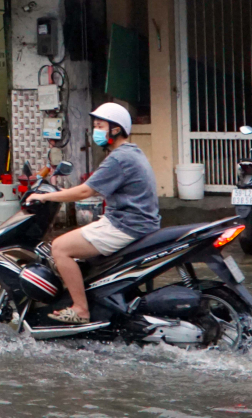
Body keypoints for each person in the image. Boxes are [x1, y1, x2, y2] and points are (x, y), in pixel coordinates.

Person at [25, 102, 160, 324]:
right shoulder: (132, 152)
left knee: (60, 247)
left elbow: (85, 191)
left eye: (100, 126)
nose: (96, 131)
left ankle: (80, 309)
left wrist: (46, 196)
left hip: (126, 225)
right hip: (136, 222)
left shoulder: (119, 158)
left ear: (115, 130)